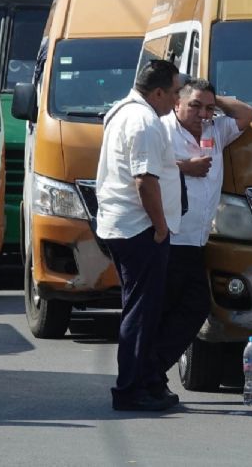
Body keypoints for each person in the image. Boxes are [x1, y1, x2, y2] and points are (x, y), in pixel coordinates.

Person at [156, 78, 252, 401]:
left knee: (195, 308)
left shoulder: (216, 129)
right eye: (194, 105)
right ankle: (150, 374)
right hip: (168, 236)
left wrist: (216, 102)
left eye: (207, 107)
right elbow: (142, 168)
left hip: (198, 239)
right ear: (176, 103)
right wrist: (186, 167)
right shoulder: (161, 129)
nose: (201, 113)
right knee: (166, 310)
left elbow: (246, 114)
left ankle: (153, 370)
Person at [96, 59, 183, 412]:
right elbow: (144, 181)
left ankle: (143, 383)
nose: (177, 101)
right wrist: (161, 226)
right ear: (158, 92)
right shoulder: (144, 120)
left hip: (125, 225)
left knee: (141, 308)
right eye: (175, 93)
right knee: (141, 311)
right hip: (139, 228)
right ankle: (130, 390)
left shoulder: (123, 111)